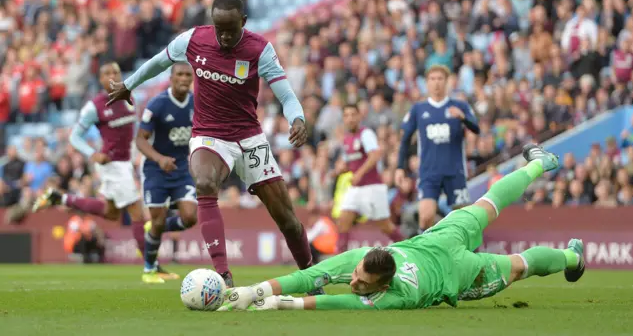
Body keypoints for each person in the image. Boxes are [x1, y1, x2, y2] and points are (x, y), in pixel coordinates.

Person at [106, 0, 321, 293]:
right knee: (205, 182)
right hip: (209, 135)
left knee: (287, 219)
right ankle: (223, 275)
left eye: (231, 29)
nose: (224, 36)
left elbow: (285, 95)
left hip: (250, 138)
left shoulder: (260, 49)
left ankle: (311, 277)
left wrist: (297, 119)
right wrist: (128, 85)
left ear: (243, 22)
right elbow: (157, 62)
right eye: (219, 28)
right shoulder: (193, 40)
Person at [217, 144, 586, 311]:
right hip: (439, 239)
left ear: (383, 286)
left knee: (518, 264)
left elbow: (339, 303)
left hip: (459, 271)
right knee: (486, 206)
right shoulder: (362, 259)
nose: (355, 281)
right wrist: (256, 290)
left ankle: (572, 256)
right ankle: (539, 163)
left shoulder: (397, 297)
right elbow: (310, 276)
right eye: (358, 276)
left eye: (362, 283)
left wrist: (284, 305)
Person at [32, 61, 178, 280]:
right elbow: (74, 137)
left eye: (116, 72)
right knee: (137, 213)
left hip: (125, 163)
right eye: (107, 73)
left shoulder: (130, 99)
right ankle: (151, 268)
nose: (112, 75)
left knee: (111, 212)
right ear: (100, 80)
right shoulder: (95, 106)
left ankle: (60, 198)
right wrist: (92, 153)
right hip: (112, 165)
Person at [396, 65, 480, 232]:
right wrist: (399, 167)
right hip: (429, 172)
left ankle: (466, 254)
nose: (436, 83)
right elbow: (405, 139)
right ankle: (427, 255)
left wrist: (463, 118)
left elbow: (476, 128)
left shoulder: (459, 106)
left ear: (447, 82)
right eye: (432, 79)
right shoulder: (418, 109)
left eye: (440, 79)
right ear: (427, 83)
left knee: (463, 218)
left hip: (455, 170)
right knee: (425, 217)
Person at [136, 63, 198, 283]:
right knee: (158, 221)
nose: (183, 78)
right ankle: (149, 270)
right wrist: (159, 159)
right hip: (155, 169)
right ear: (171, 78)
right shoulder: (157, 105)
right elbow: (140, 139)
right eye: (179, 74)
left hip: (181, 169)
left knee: (190, 217)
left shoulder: (197, 103)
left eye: (187, 75)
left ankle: (153, 230)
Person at [336, 104, 404, 252]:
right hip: (356, 189)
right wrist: (342, 168)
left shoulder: (366, 134)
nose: (350, 118)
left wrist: (359, 173)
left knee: (385, 226)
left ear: (359, 116)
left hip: (372, 187)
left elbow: (375, 154)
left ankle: (410, 248)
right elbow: (350, 163)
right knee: (343, 222)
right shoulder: (347, 139)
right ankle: (339, 262)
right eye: (346, 115)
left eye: (353, 114)